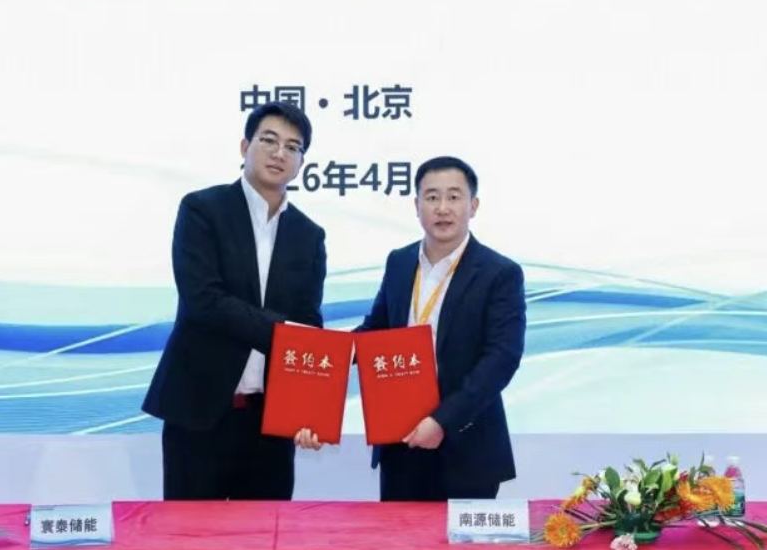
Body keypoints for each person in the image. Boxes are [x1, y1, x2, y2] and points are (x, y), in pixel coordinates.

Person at [299, 155, 525, 501]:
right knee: (397, 530)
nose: (442, 208)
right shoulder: (400, 261)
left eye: (454, 196)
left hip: (466, 445)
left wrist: (442, 421)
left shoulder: (500, 273)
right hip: (399, 440)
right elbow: (374, 332)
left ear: (473, 205)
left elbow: (501, 359)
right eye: (432, 197)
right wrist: (316, 370)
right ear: (416, 206)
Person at [142, 101, 328, 500]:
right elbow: (204, 300)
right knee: (190, 532)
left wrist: (310, 410)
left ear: (301, 163)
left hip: (272, 423)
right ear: (245, 147)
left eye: (292, 147)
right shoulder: (202, 209)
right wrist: (284, 332)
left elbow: (309, 324)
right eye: (269, 140)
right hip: (200, 412)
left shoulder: (309, 235)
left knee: (266, 530)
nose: (279, 153)